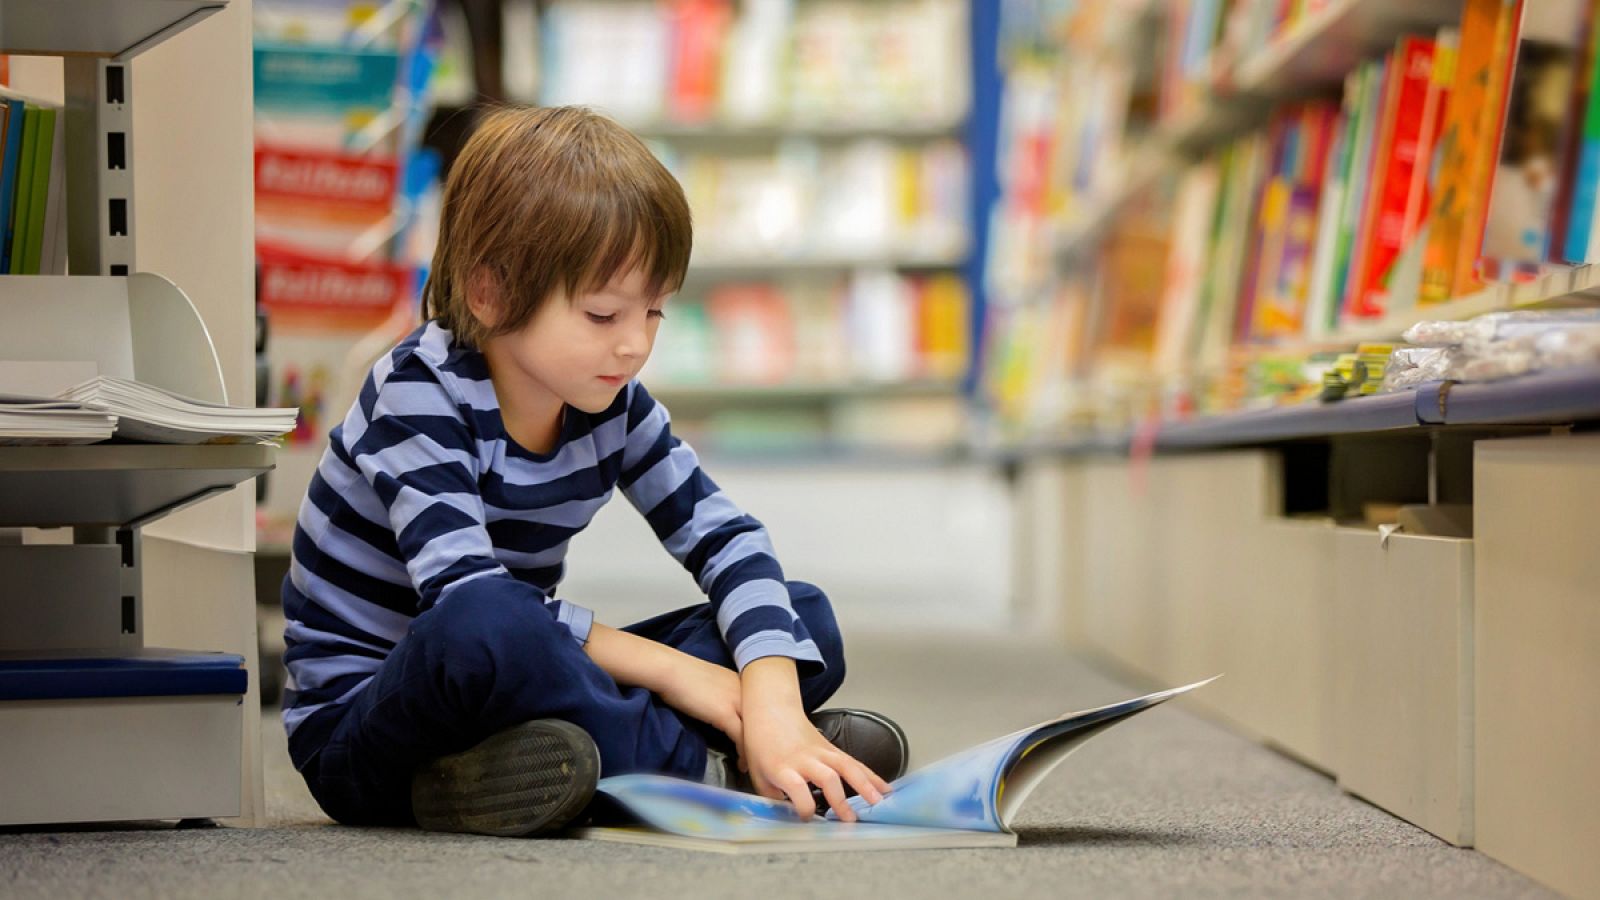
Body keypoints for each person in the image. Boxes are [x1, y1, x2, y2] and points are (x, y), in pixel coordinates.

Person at [279, 105, 909, 838]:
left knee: (800, 615)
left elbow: (728, 540)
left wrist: (766, 697)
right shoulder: (417, 391)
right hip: (364, 731)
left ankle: (561, 768)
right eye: (604, 315)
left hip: (517, 689)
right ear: (490, 291)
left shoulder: (613, 405)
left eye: (654, 314)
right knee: (489, 623)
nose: (634, 346)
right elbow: (466, 599)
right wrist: (684, 676)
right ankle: (714, 769)